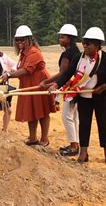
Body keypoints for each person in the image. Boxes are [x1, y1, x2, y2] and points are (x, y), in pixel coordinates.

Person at [50, 27, 106, 164]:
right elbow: (67, 74)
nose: (85, 46)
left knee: (104, 123)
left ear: (98, 45)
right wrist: (56, 85)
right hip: (83, 97)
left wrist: (104, 87)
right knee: (84, 124)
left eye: (89, 43)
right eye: (84, 42)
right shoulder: (79, 58)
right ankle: (83, 152)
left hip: (101, 97)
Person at [2, 25, 56, 147]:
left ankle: (44, 140)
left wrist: (10, 75)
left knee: (42, 111)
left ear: (29, 39)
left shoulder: (34, 52)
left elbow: (27, 70)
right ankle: (32, 138)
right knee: (32, 111)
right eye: (17, 40)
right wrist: (10, 71)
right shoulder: (23, 53)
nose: (20, 42)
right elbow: (21, 67)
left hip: (39, 83)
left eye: (22, 39)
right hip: (28, 83)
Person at [40, 24, 81, 156]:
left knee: (67, 116)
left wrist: (47, 82)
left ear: (69, 39)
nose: (60, 39)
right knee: (74, 117)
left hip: (70, 87)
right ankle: (76, 143)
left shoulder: (67, 54)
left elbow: (63, 73)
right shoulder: (77, 51)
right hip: (78, 86)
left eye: (62, 37)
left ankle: (74, 146)